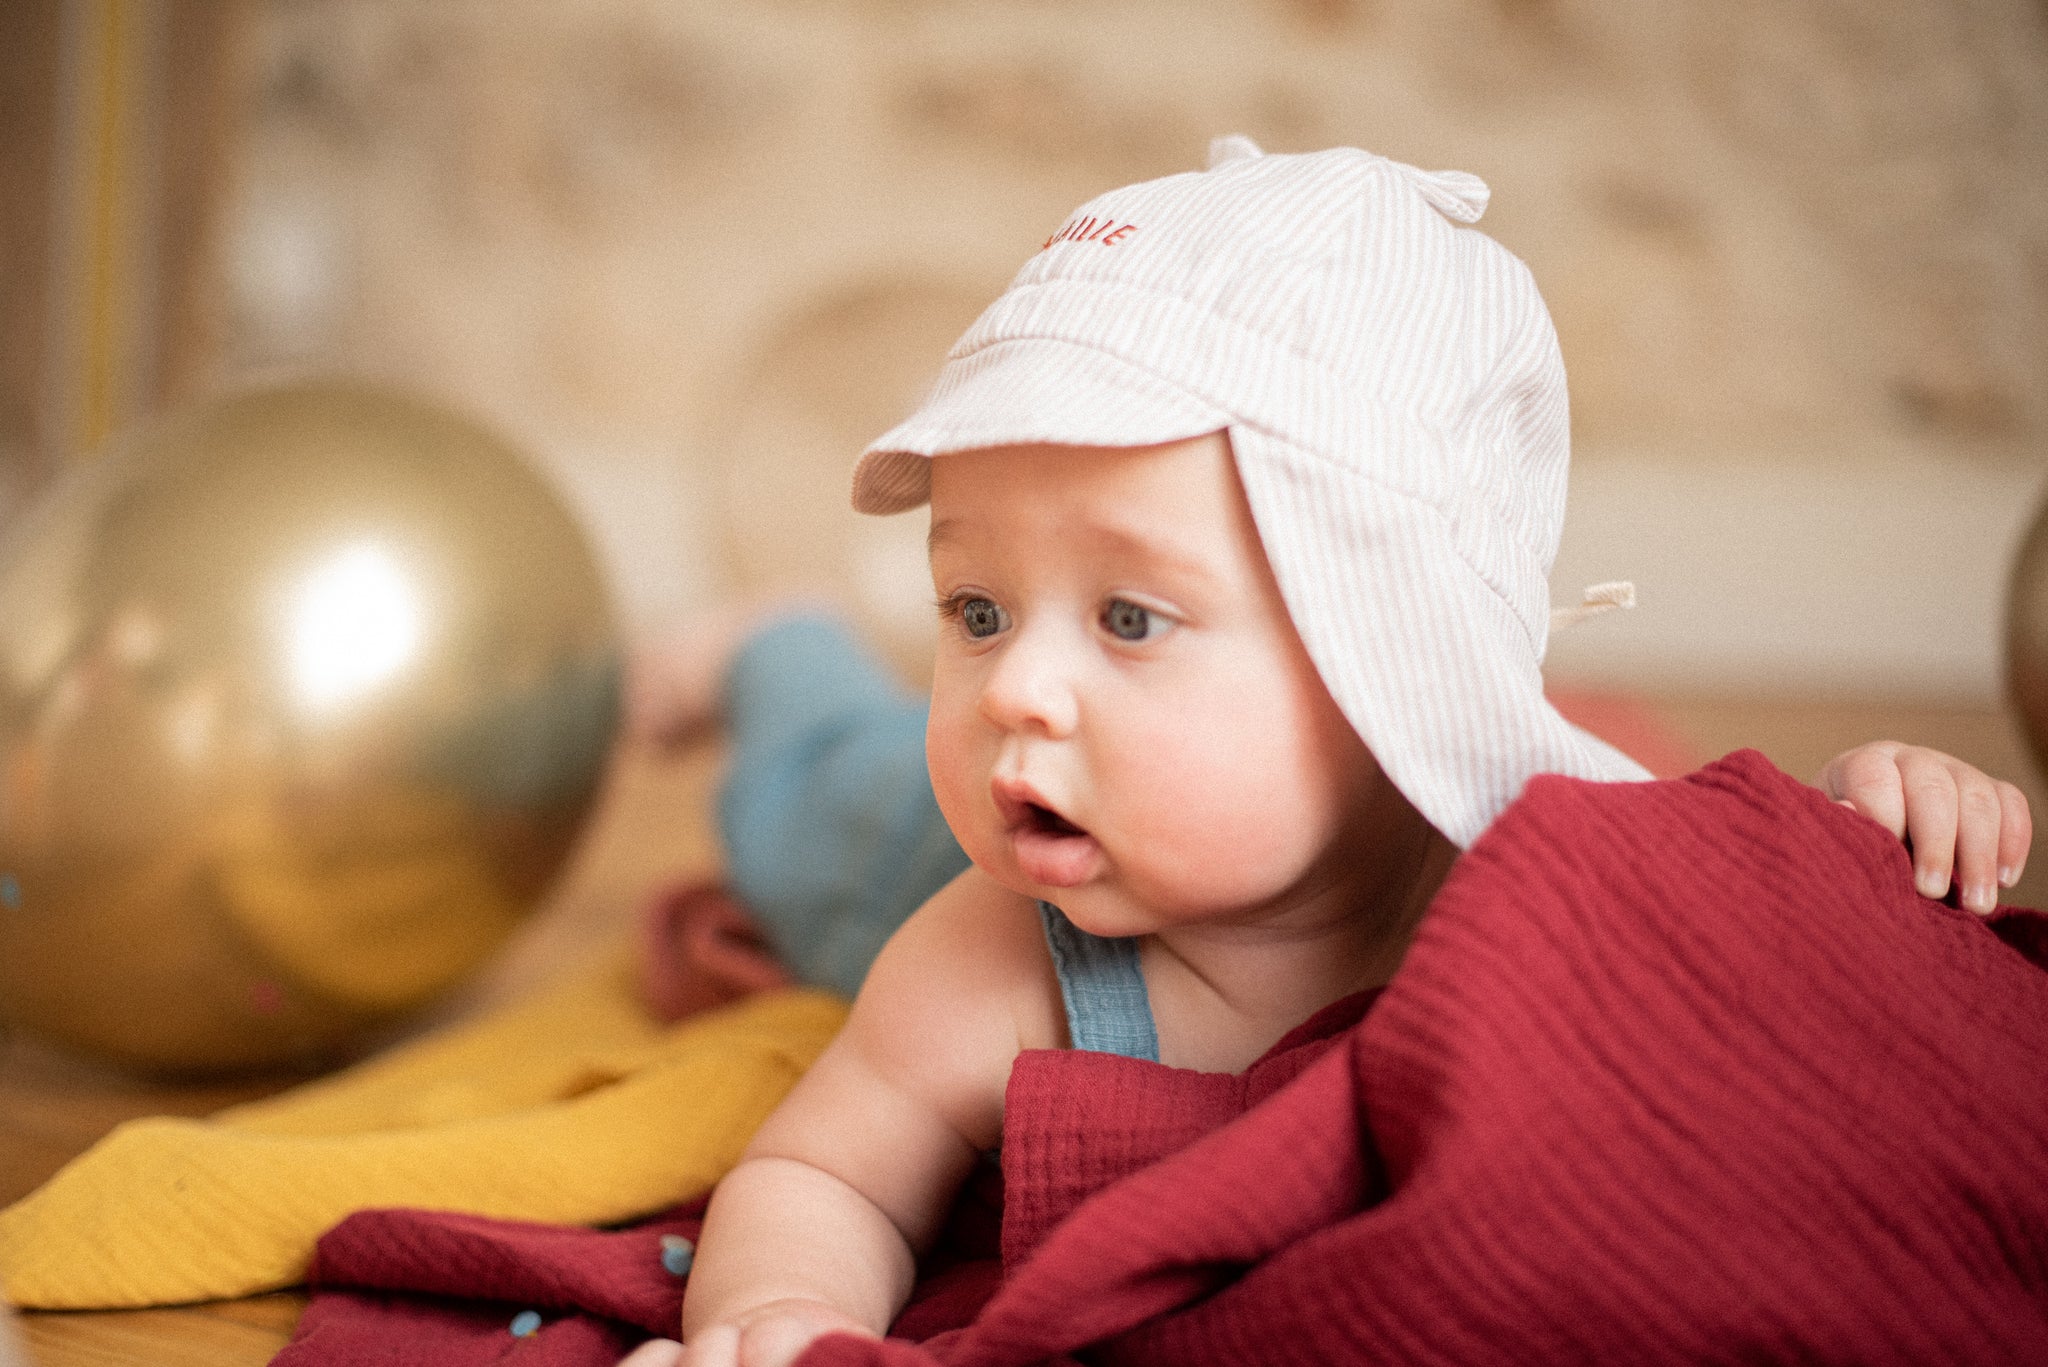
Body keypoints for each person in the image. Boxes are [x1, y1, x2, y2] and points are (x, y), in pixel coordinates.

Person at [622, 139, 2032, 1367]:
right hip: (913, 846)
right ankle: (777, 653)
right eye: (976, 611)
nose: (1019, 690)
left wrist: (1858, 825)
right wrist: (782, 1314)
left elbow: (1733, 900)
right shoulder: (986, 959)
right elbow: (827, 1175)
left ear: (1392, 662)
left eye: (1130, 617)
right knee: (834, 790)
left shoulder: (1548, 879)